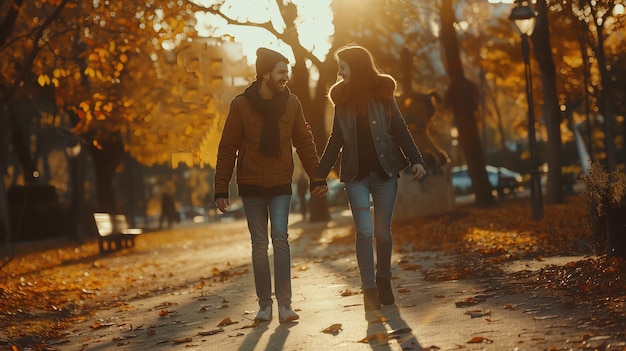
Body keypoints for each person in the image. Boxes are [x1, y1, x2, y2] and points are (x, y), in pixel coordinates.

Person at [213, 47, 327, 323]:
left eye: (286, 72)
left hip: (280, 183)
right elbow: (227, 147)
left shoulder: (292, 104)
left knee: (280, 238)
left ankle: (285, 305)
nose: (285, 77)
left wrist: (317, 176)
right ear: (265, 74)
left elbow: (304, 143)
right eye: (280, 72)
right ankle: (265, 306)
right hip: (250, 184)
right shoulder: (240, 105)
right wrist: (221, 188)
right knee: (259, 243)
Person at [315, 45, 427, 312]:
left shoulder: (383, 94)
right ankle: (368, 288)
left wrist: (417, 160)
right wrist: (319, 176)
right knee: (364, 232)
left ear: (357, 65)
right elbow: (335, 140)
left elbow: (400, 129)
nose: (339, 70)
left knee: (382, 233)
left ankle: (383, 278)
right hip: (355, 176)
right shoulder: (340, 99)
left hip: (386, 172)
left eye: (343, 65)